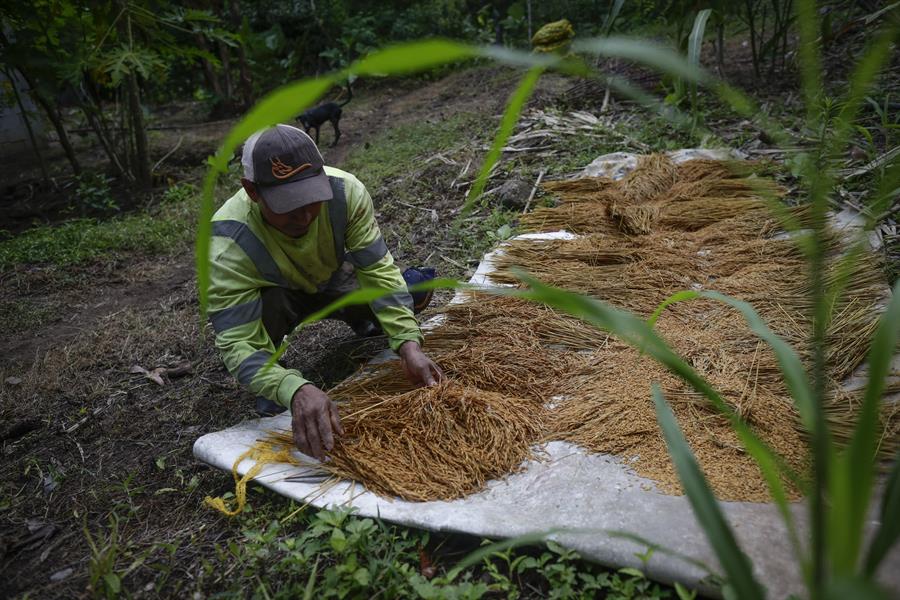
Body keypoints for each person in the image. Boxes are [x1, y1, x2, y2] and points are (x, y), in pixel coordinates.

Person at [207, 123, 443, 460]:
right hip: (278, 296)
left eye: (311, 200)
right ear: (252, 191)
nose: (304, 215)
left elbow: (377, 271)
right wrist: (294, 389)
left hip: (331, 278)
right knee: (267, 318)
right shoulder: (227, 241)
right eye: (288, 205)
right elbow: (237, 342)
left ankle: (364, 320)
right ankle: (274, 377)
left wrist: (407, 342)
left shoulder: (345, 192)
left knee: (413, 291)